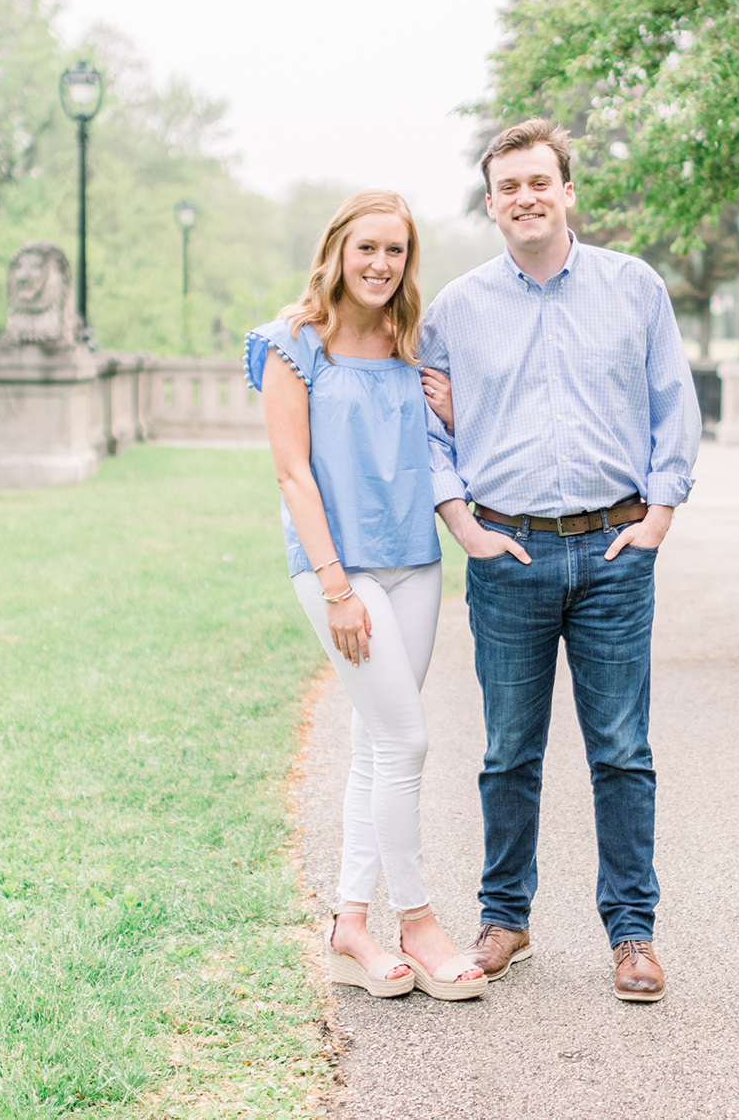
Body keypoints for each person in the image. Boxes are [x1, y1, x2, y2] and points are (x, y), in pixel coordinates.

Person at [419, 119, 700, 1003]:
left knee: (622, 750)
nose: (526, 198)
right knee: (508, 751)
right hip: (507, 553)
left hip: (616, 550)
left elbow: (673, 405)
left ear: (567, 190)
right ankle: (505, 919)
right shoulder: (457, 310)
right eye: (509, 187)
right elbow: (424, 428)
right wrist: (462, 525)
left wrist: (657, 518)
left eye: (540, 181)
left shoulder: (633, 288)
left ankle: (633, 935)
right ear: (492, 203)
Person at [245, 189, 487, 1002]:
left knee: (380, 742)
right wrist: (336, 584)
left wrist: (457, 409)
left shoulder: (408, 340)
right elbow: (291, 472)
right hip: (338, 574)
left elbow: (441, 445)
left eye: (396, 251)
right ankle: (417, 922)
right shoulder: (293, 344)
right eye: (367, 248)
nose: (381, 264)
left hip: (415, 563)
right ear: (337, 252)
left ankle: (350, 926)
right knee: (408, 740)